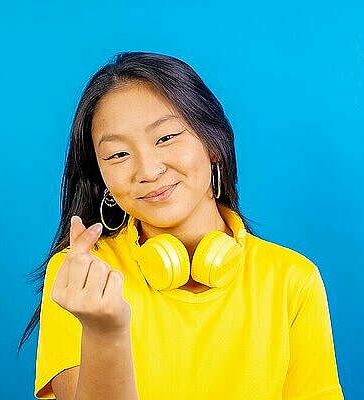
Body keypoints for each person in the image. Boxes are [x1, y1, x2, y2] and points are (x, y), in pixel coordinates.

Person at [17, 51, 344, 400]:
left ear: (213, 143)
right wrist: (104, 332)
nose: (148, 170)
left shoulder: (292, 279)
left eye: (166, 138)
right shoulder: (83, 277)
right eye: (118, 155)